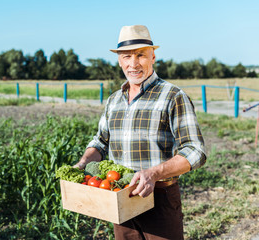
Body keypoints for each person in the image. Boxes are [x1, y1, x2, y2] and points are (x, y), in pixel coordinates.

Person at [73, 25, 206, 240]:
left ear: (153, 56)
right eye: (126, 56)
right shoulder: (114, 100)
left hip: (160, 197)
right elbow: (100, 142)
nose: (133, 64)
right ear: (119, 60)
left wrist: (152, 174)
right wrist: (82, 164)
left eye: (140, 55)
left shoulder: (173, 96)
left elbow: (195, 151)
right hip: (119, 196)